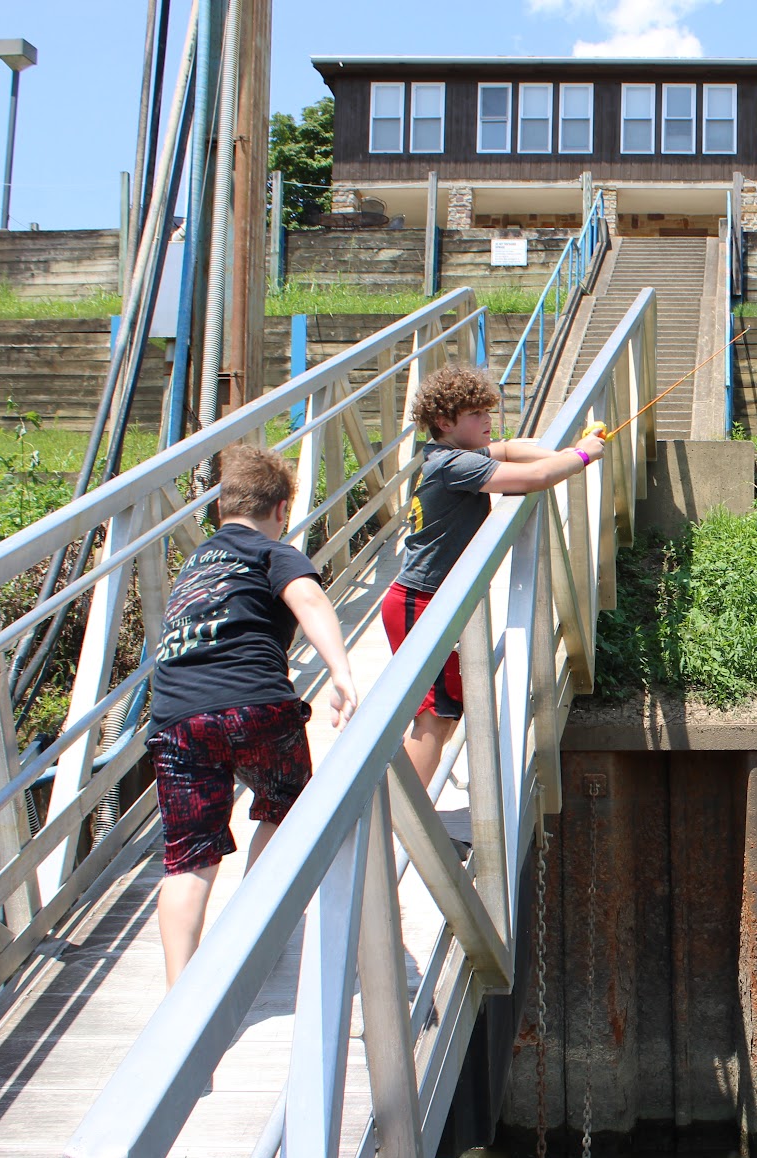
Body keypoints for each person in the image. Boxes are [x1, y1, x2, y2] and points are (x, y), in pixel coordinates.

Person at [146, 443, 360, 986]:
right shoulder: (273, 552)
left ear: (220, 511)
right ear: (281, 510)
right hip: (254, 705)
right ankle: (248, 931)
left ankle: (179, 994)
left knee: (188, 857)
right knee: (287, 807)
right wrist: (341, 673)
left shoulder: (194, 564)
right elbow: (309, 601)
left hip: (177, 718)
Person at [384, 364, 605, 791]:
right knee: (436, 714)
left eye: (488, 412)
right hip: (419, 600)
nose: (488, 422)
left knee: (445, 710)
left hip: (428, 600)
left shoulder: (452, 456)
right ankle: (401, 827)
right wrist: (578, 458)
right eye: (476, 415)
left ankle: (409, 819)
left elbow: (511, 450)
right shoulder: (454, 466)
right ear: (445, 423)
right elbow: (533, 477)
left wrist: (568, 449)